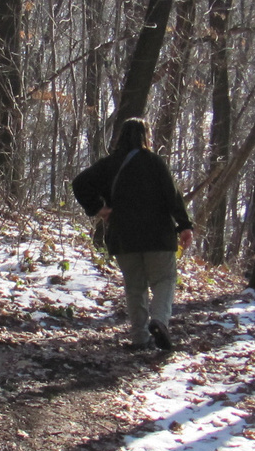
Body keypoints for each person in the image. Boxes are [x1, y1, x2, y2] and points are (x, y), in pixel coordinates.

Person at [72, 118, 193, 351]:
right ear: (146, 136)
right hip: (158, 236)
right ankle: (159, 320)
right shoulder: (155, 162)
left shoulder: (109, 164)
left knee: (135, 287)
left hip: (123, 236)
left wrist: (99, 209)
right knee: (164, 280)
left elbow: (80, 183)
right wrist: (184, 225)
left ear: (120, 136)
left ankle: (139, 338)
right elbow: (172, 196)